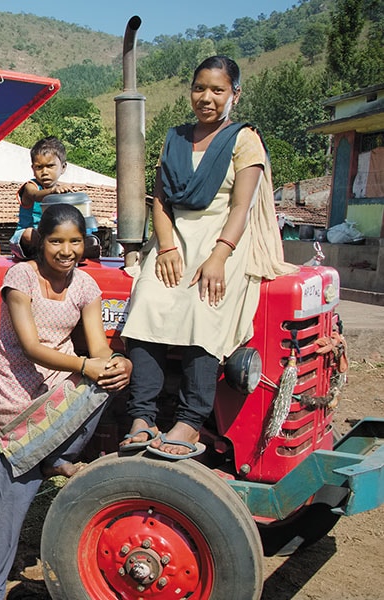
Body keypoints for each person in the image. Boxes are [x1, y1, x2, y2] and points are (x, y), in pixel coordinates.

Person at [119, 56, 294, 458]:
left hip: (223, 239)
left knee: (205, 307)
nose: (207, 98)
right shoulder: (175, 138)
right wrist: (164, 247)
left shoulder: (244, 138)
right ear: (191, 91)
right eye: (200, 88)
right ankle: (142, 416)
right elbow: (160, 201)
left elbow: (240, 208)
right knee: (145, 302)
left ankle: (191, 421)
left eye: (218, 90)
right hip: (174, 238)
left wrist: (218, 257)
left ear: (235, 93)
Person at [0, 204, 132, 600]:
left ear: (85, 244)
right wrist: (87, 365)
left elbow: (98, 346)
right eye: (56, 241)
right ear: (40, 242)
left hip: (60, 380)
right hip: (18, 387)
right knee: (7, 505)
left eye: (75, 241)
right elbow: (30, 347)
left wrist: (118, 364)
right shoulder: (19, 277)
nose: (66, 250)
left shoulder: (84, 285)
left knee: (109, 380)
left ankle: (54, 456)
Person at [9, 136, 76, 259]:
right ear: (33, 169)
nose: (44, 172)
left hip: (53, 237)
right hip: (25, 240)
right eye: (39, 167)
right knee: (32, 234)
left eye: (50, 166)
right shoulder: (30, 186)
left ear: (63, 167)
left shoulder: (61, 193)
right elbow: (36, 196)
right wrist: (52, 191)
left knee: (85, 239)